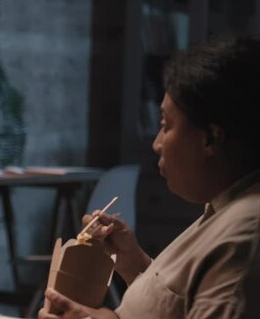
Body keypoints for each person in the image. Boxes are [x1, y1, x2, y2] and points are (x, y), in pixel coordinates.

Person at [40, 36, 260, 319]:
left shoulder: (244, 236)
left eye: (166, 126)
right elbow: (177, 304)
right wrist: (135, 264)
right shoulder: (223, 207)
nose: (157, 144)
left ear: (209, 139)